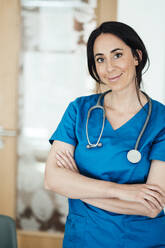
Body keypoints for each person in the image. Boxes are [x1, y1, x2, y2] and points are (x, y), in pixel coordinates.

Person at [44, 21, 165, 247]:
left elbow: (150, 206)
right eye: (100, 59)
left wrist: (77, 186)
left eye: (117, 55)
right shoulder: (79, 110)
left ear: (137, 56)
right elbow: (52, 180)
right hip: (84, 238)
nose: (109, 68)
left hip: (141, 241)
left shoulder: (161, 120)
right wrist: (122, 192)